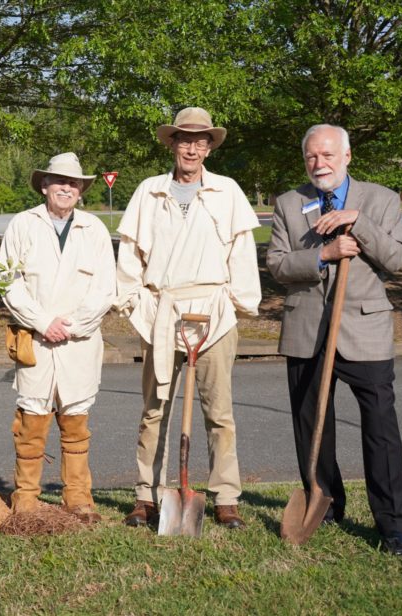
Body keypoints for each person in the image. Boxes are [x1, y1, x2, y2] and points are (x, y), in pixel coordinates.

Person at [266, 124, 402, 556]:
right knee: (313, 426)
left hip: (364, 330)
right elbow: (276, 264)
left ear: (347, 157)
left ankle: (393, 526)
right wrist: (322, 255)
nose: (319, 163)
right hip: (306, 330)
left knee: (381, 429)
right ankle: (326, 503)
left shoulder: (381, 199)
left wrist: (358, 224)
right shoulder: (290, 203)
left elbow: (398, 259)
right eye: (312, 156)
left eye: (328, 155)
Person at [116, 107, 261, 529]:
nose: (192, 148)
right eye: (184, 139)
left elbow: (242, 255)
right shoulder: (149, 191)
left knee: (219, 412)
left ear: (210, 148)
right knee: (154, 410)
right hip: (162, 314)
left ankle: (226, 497)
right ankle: (146, 495)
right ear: (172, 144)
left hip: (212, 315)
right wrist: (137, 307)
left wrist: (232, 304)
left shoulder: (228, 192)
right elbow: (131, 258)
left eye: (201, 141)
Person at [0, 152, 117, 522]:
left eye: (75, 183)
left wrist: (73, 325)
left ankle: (78, 498)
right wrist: (42, 321)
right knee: (31, 419)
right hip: (35, 339)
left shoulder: (94, 230)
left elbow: (105, 287)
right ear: (45, 185)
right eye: (60, 181)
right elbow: (8, 282)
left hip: (79, 342)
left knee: (76, 418)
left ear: (81, 191)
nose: (67, 187)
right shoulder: (22, 224)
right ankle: (27, 499)